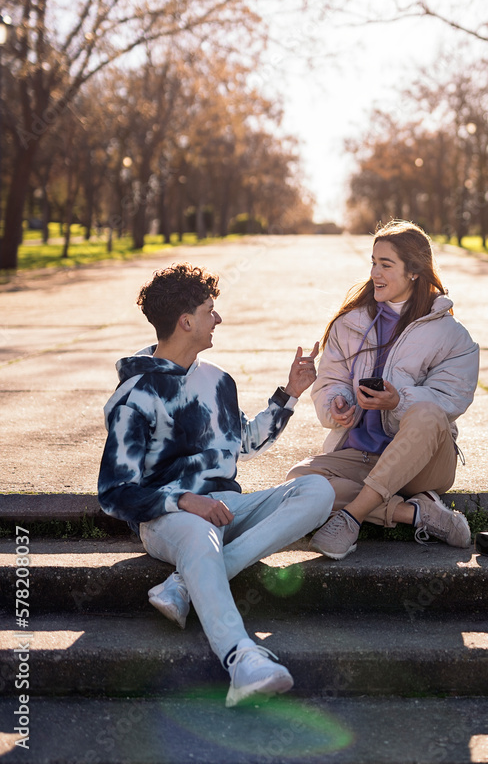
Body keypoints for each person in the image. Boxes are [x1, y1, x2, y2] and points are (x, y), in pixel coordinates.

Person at [98, 262, 334, 707]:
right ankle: (242, 659)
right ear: (186, 322)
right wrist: (185, 500)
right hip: (170, 517)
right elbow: (115, 491)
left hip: (226, 507)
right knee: (197, 530)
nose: (218, 319)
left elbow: (242, 441)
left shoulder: (219, 380)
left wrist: (290, 393)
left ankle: (184, 585)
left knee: (318, 490)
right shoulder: (136, 396)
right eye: (211, 310)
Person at [286, 220, 479, 560]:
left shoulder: (452, 335)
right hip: (360, 456)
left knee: (425, 411)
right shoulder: (350, 322)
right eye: (373, 262)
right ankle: (418, 514)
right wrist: (338, 403)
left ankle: (352, 517)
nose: (375, 272)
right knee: (299, 479)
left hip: (424, 464)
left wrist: (397, 400)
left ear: (414, 272)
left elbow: (451, 399)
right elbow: (331, 381)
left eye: (386, 265)